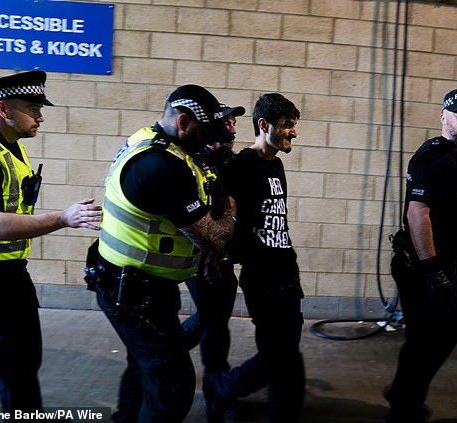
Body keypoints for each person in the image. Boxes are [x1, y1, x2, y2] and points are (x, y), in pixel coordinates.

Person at [88, 84, 236, 423]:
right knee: (172, 389)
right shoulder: (161, 165)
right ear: (183, 122)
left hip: (138, 282)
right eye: (205, 133)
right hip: (134, 290)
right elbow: (212, 237)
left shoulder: (153, 140)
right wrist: (231, 210)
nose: (210, 142)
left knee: (146, 368)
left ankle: (126, 416)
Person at [0, 71, 102, 415]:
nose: (41, 116)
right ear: (3, 109)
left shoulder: (9, 149)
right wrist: (63, 217)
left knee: (22, 367)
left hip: (10, 277)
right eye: (32, 107)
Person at [385, 88, 457, 422]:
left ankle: (403, 393)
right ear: (443, 116)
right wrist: (432, 271)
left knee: (428, 335)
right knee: (439, 333)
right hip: (424, 264)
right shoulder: (437, 156)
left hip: (438, 261)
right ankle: (403, 406)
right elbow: (418, 214)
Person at [203, 93, 305, 423]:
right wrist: (217, 260)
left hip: (285, 270)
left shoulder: (275, 164)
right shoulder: (241, 167)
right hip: (261, 275)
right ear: (264, 125)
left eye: (293, 125)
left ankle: (280, 408)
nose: (293, 132)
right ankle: (225, 386)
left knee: (284, 352)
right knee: (280, 354)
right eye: (288, 125)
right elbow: (224, 218)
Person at [181, 103, 246, 422]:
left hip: (225, 257)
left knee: (213, 319)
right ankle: (216, 394)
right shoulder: (194, 162)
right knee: (215, 324)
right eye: (227, 122)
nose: (232, 129)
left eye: (234, 123)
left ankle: (168, 350)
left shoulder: (231, 162)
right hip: (200, 258)